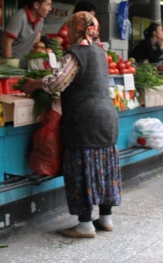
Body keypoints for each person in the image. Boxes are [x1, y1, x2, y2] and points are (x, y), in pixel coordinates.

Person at [22, 12, 121, 239]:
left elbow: (57, 83)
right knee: (104, 168)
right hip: (107, 118)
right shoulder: (99, 52)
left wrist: (35, 84)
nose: (68, 32)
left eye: (70, 28)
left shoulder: (77, 53)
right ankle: (105, 219)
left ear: (76, 30)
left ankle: (85, 225)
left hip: (85, 120)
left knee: (81, 169)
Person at [0, 0, 52, 67]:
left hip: (20, 67)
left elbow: (36, 44)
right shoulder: (20, 17)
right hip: (0, 66)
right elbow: (6, 43)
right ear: (36, 5)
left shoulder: (40, 20)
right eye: (48, 5)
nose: (50, 9)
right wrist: (10, 68)